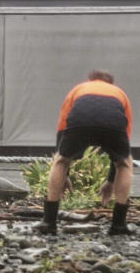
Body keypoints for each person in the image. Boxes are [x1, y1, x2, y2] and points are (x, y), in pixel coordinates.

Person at [33, 70, 134, 235]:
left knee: (61, 160)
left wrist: (64, 169)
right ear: (111, 83)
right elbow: (122, 149)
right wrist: (110, 181)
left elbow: (62, 128)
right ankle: (118, 224)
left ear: (90, 80)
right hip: (112, 122)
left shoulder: (79, 89)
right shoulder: (120, 93)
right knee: (124, 164)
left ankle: (49, 222)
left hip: (80, 119)